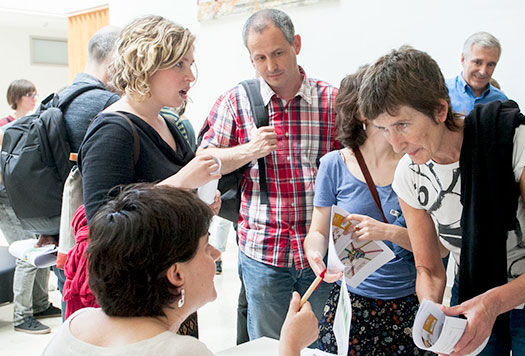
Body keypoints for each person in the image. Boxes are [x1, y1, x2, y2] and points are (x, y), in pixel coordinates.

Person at [361, 46, 525, 355]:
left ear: (440, 110)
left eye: (402, 125)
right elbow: (429, 268)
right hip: (476, 289)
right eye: (383, 129)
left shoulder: (512, 140)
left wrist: (495, 301)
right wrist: (432, 315)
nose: (395, 143)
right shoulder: (409, 174)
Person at [66, 15, 221, 334]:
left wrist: (196, 207)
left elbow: (162, 205)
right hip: (138, 302)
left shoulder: (167, 124)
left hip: (171, 288)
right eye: (179, 65)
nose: (190, 76)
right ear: (145, 64)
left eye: (191, 64)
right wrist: (183, 182)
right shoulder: (113, 130)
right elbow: (105, 229)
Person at [42, 184, 318, 355]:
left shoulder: (76, 324)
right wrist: (291, 347)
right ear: (176, 274)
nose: (216, 255)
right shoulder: (181, 351)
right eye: (205, 247)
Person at [198, 8, 338, 342]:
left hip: (318, 250)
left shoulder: (331, 100)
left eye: (278, 53)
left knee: (320, 344)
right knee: (267, 346)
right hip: (263, 251)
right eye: (260, 58)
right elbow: (204, 162)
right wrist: (248, 150)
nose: (271, 66)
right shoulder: (236, 102)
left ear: (296, 45)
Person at [303, 67, 431, 355]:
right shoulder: (334, 164)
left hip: (409, 301)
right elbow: (318, 230)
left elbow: (438, 249)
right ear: (362, 112)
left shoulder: (416, 163)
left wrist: (387, 232)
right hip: (352, 303)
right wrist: (315, 253)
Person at [54, 24, 122, 319]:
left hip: (61, 234)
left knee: (70, 316)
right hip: (91, 241)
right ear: (116, 60)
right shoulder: (111, 106)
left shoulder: (57, 98)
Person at [0, 128, 59, 334]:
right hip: (4, 200)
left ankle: (39, 304)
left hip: (19, 198)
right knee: (27, 256)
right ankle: (22, 316)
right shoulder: (0, 134)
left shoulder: (22, 129)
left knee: (40, 249)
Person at [445, 32, 508, 116]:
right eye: (478, 62)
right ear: (463, 59)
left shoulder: (501, 101)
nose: (483, 71)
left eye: (490, 65)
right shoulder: (442, 92)